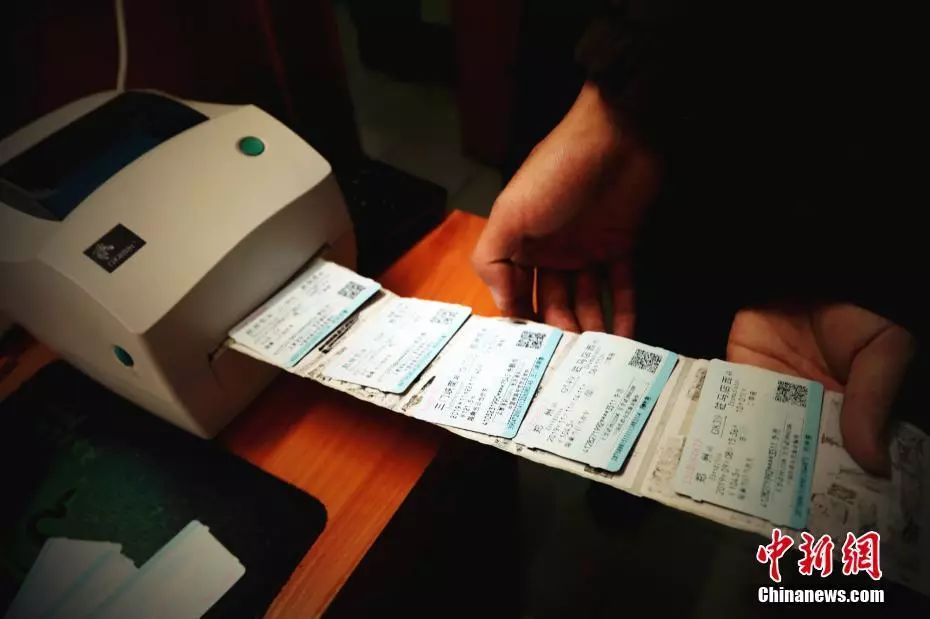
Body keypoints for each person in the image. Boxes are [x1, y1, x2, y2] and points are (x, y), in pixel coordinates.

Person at [471, 1, 924, 476]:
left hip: (810, 147)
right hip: (638, 89)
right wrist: (608, 108)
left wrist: (879, 267)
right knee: (639, 344)